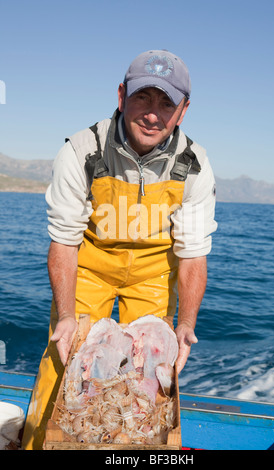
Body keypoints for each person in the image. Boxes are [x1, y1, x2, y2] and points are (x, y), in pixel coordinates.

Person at [22, 49, 217, 450]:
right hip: (89, 269)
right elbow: (64, 240)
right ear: (121, 96)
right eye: (143, 97)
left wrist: (185, 325)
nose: (152, 113)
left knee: (151, 375)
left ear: (183, 111)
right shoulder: (81, 151)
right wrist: (65, 316)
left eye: (166, 103)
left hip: (151, 276)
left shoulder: (195, 165)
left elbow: (193, 254)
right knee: (65, 364)